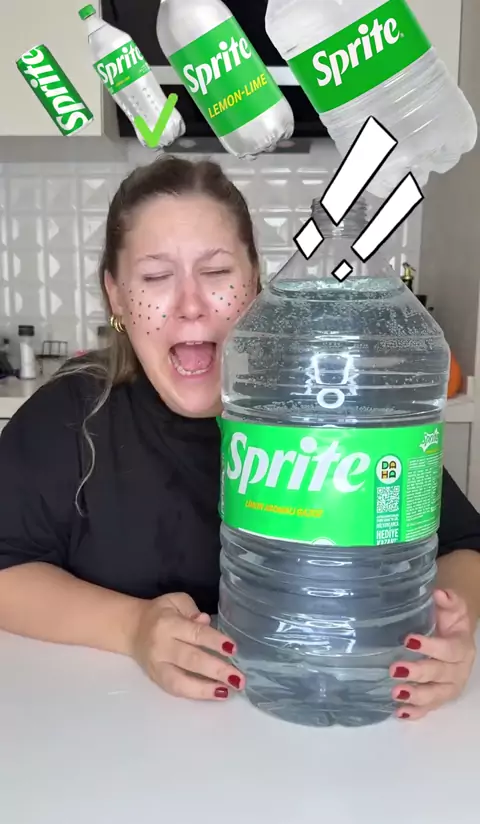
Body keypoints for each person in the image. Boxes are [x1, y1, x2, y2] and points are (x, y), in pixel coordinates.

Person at [0, 155, 478, 722]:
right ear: (117, 297)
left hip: (336, 723)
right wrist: (131, 628)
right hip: (123, 733)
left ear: (254, 284)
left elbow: (464, 548)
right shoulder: (71, 415)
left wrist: (449, 630)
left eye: (218, 272)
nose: (191, 305)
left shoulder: (332, 408)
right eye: (155, 278)